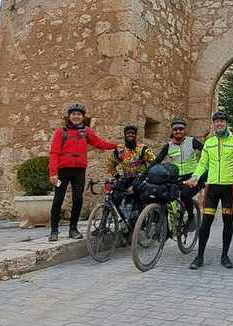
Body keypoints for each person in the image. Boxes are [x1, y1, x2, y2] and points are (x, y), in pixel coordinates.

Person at [48, 103, 117, 241]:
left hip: (79, 171)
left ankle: (73, 229)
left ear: (82, 117)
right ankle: (54, 231)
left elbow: (99, 143)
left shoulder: (86, 131)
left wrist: (116, 145)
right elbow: (54, 153)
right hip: (62, 171)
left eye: (79, 114)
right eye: (73, 114)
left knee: (78, 199)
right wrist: (53, 173)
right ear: (69, 116)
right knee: (58, 200)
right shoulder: (61, 132)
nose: (76, 116)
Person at [186, 111, 233, 269]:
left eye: (222, 121)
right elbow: (202, 164)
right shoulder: (209, 142)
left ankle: (225, 256)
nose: (219, 124)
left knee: (228, 222)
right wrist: (195, 177)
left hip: (229, 187)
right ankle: (199, 256)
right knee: (206, 222)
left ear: (226, 123)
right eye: (216, 121)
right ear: (213, 124)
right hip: (211, 187)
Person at [150, 117, 205, 222]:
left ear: (185, 130)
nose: (178, 131)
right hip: (176, 177)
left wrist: (202, 173)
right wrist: (146, 174)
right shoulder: (168, 146)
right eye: (175, 129)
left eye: (181, 129)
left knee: (185, 194)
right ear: (172, 131)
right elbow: (157, 161)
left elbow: (206, 153)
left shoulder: (192, 141)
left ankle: (191, 217)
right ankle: (165, 220)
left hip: (192, 177)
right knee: (161, 193)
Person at [105, 124, 154, 217]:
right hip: (126, 178)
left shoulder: (142, 149)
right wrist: (117, 176)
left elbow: (154, 162)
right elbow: (110, 164)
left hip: (140, 178)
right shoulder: (120, 150)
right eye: (128, 133)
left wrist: (148, 175)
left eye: (132, 133)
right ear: (124, 135)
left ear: (135, 135)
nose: (130, 135)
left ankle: (139, 221)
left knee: (138, 198)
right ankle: (120, 219)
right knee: (114, 195)